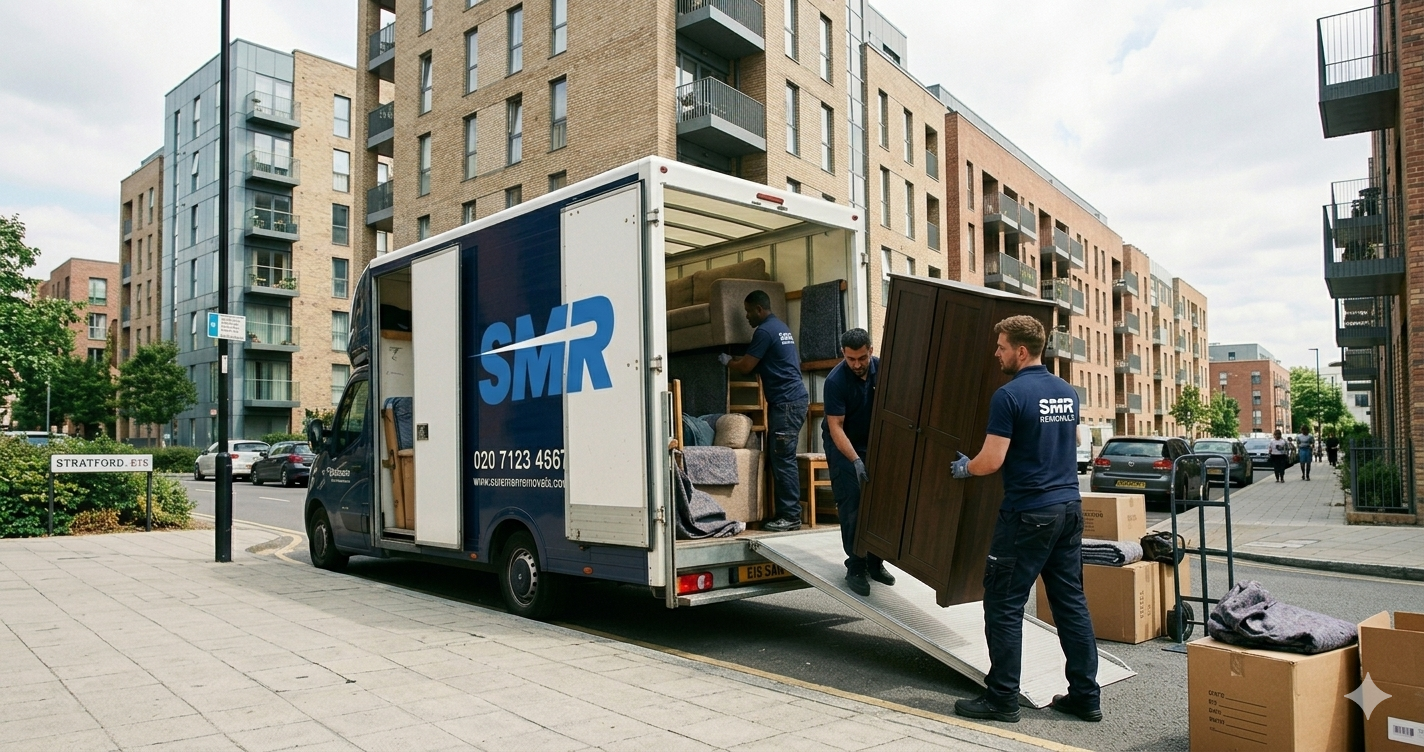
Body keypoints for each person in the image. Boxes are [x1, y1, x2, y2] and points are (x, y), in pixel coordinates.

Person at [948, 315, 1100, 724]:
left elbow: (991, 461)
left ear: (1020, 350)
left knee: (1003, 605)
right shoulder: (1066, 393)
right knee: (1070, 604)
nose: (995, 353)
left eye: (1000, 347)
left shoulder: (1009, 395)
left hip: (1028, 514)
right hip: (1068, 509)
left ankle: (1001, 699)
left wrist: (965, 468)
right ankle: (1086, 696)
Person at [721, 290, 809, 533]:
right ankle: (787, 514)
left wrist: (728, 361)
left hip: (786, 403)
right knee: (781, 458)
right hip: (792, 400)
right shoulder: (779, 327)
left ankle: (790, 516)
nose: (747, 317)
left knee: (783, 460)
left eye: (749, 311)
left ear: (759, 309)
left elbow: (747, 366)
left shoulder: (764, 331)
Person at [821, 328, 895, 596]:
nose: (857, 364)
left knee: (880, 501)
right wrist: (854, 460)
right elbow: (836, 427)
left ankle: (876, 562)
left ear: (870, 351)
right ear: (844, 354)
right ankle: (856, 565)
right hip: (843, 443)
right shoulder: (835, 381)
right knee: (852, 501)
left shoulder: (882, 370)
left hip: (871, 441)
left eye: (861, 358)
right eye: (851, 359)